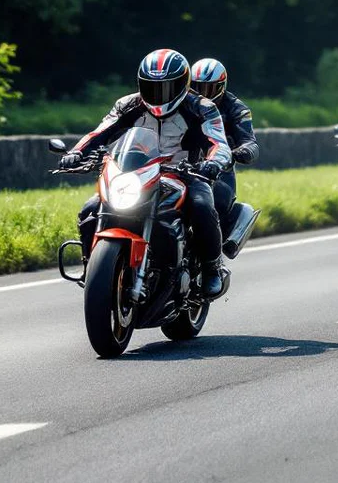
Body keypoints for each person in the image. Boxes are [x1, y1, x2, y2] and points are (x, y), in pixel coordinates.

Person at [62, 49, 233, 297]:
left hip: (186, 174)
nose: (159, 94)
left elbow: (219, 142)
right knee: (90, 208)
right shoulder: (127, 105)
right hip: (135, 174)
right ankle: (93, 268)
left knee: (202, 206)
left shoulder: (202, 108)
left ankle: (211, 268)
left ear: (183, 84)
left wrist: (214, 162)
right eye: (151, 87)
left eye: (167, 87)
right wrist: (76, 152)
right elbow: (99, 132)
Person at [190, 59, 259, 258]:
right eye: (196, 87)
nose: (203, 94)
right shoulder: (182, 104)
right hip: (181, 164)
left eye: (209, 88)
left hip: (218, 170)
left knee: (217, 201)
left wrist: (241, 152)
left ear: (222, 86)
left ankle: (212, 262)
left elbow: (249, 141)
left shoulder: (236, 109)